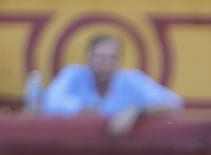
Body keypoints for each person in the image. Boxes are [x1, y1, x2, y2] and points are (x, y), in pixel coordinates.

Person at [41, 34, 181, 134]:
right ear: (88, 58)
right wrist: (85, 111)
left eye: (112, 58)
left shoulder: (131, 79)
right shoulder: (73, 75)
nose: (105, 63)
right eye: (100, 57)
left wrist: (135, 112)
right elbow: (51, 100)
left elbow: (173, 102)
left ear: (118, 62)